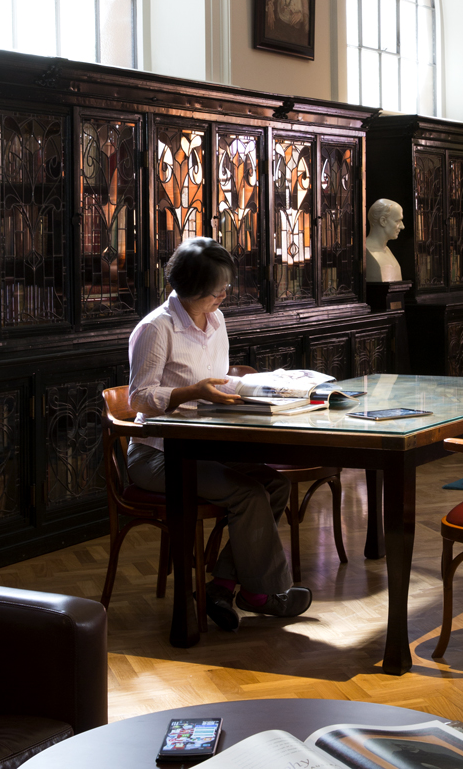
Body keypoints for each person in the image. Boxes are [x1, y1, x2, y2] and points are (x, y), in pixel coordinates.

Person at [127, 237, 312, 630]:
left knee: (274, 486)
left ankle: (223, 585)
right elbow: (140, 399)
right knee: (247, 493)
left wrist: (253, 385)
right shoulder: (156, 329)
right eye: (217, 291)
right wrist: (193, 392)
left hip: (206, 445)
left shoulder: (216, 320)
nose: (224, 297)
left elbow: (218, 378)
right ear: (192, 289)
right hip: (159, 455)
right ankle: (262, 594)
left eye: (226, 287)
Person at [365, 198, 405, 282]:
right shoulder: (366, 252)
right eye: (398, 221)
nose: (402, 226)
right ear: (383, 221)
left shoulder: (387, 251)